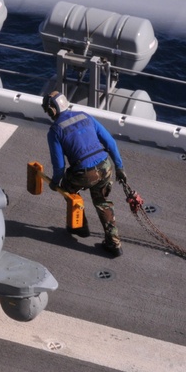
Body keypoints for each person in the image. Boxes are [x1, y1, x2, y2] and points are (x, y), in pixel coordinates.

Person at [43, 90, 128, 256]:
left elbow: (59, 165)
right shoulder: (85, 116)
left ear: (52, 110)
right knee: (102, 202)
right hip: (106, 167)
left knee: (69, 189)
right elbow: (110, 142)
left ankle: (80, 226)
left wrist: (55, 182)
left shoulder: (55, 131)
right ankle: (114, 243)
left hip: (84, 173)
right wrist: (119, 167)